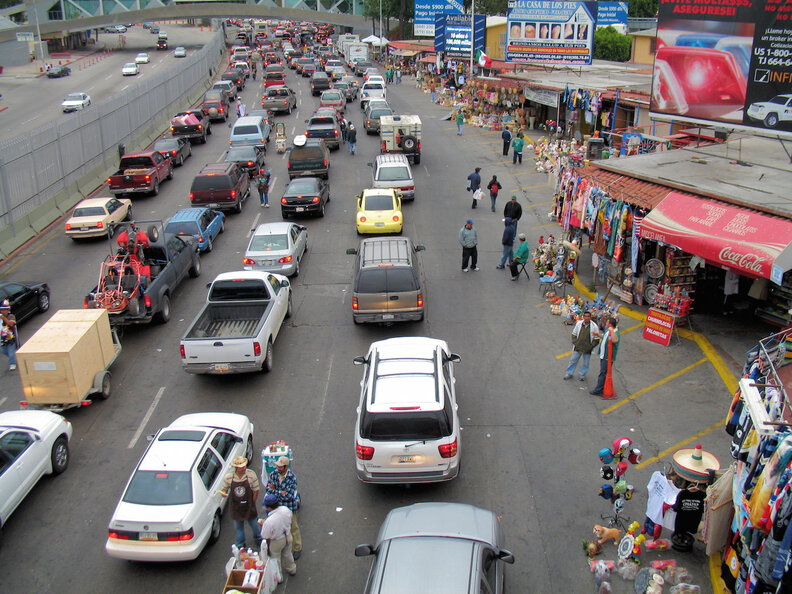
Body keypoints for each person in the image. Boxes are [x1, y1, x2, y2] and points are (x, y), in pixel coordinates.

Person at [219, 456, 262, 550]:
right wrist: (223, 493)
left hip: (249, 506)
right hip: (236, 507)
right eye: (241, 467)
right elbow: (224, 489)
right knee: (239, 528)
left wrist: (252, 503)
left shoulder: (251, 475)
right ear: (236, 467)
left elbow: (256, 490)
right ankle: (240, 544)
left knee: (255, 526)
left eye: (244, 466)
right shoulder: (229, 477)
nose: (244, 468)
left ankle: (259, 539)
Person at [266, 456, 302, 559]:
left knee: (293, 528)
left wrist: (275, 491)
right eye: (277, 466)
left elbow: (289, 496)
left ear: (286, 467)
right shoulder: (273, 475)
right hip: (277, 508)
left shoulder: (292, 478)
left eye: (280, 467)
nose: (278, 468)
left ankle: (297, 548)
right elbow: (268, 490)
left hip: (289, 508)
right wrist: (281, 492)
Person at [260, 494, 297, 576]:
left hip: (277, 541)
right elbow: (290, 518)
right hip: (287, 535)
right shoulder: (285, 509)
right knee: (288, 554)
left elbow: (265, 535)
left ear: (269, 507)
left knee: (276, 558)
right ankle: (292, 569)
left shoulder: (269, 521)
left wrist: (262, 525)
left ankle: (278, 576)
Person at [564, 311, 600, 379]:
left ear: (590, 317)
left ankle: (582, 374)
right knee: (573, 361)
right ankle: (569, 373)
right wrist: (576, 343)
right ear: (583, 317)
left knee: (586, 363)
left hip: (587, 349)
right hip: (578, 347)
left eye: (588, 316)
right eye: (585, 316)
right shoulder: (579, 324)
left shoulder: (594, 326)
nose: (586, 318)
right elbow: (574, 334)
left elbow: (596, 339)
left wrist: (591, 346)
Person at [590, 317, 620, 396]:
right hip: (603, 355)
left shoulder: (615, 332)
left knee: (603, 373)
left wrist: (611, 330)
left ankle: (598, 390)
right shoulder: (607, 330)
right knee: (603, 372)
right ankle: (602, 387)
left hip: (607, 357)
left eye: (607, 322)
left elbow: (615, 340)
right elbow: (604, 336)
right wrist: (597, 334)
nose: (605, 324)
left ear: (610, 324)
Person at [0, 300, 17, 371]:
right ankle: (14, 357)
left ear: (7, 310)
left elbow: (11, 324)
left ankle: (12, 363)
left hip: (10, 337)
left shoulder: (11, 316)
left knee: (11, 351)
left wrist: (4, 318)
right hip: (2, 338)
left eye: (4, 310)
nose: (2, 311)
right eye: (1, 310)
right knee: (3, 350)